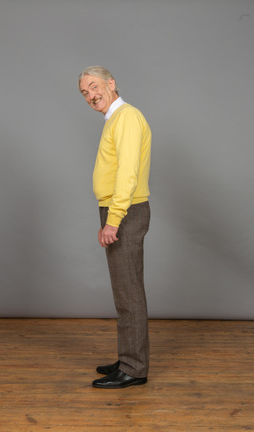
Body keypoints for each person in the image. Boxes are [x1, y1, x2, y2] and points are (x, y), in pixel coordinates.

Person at [78, 66, 151, 389]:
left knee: (129, 293)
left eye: (94, 87)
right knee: (124, 291)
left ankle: (135, 369)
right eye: (85, 92)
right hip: (117, 209)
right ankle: (127, 358)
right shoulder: (115, 119)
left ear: (111, 84)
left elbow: (128, 174)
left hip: (126, 211)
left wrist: (113, 219)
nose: (91, 95)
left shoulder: (128, 117)